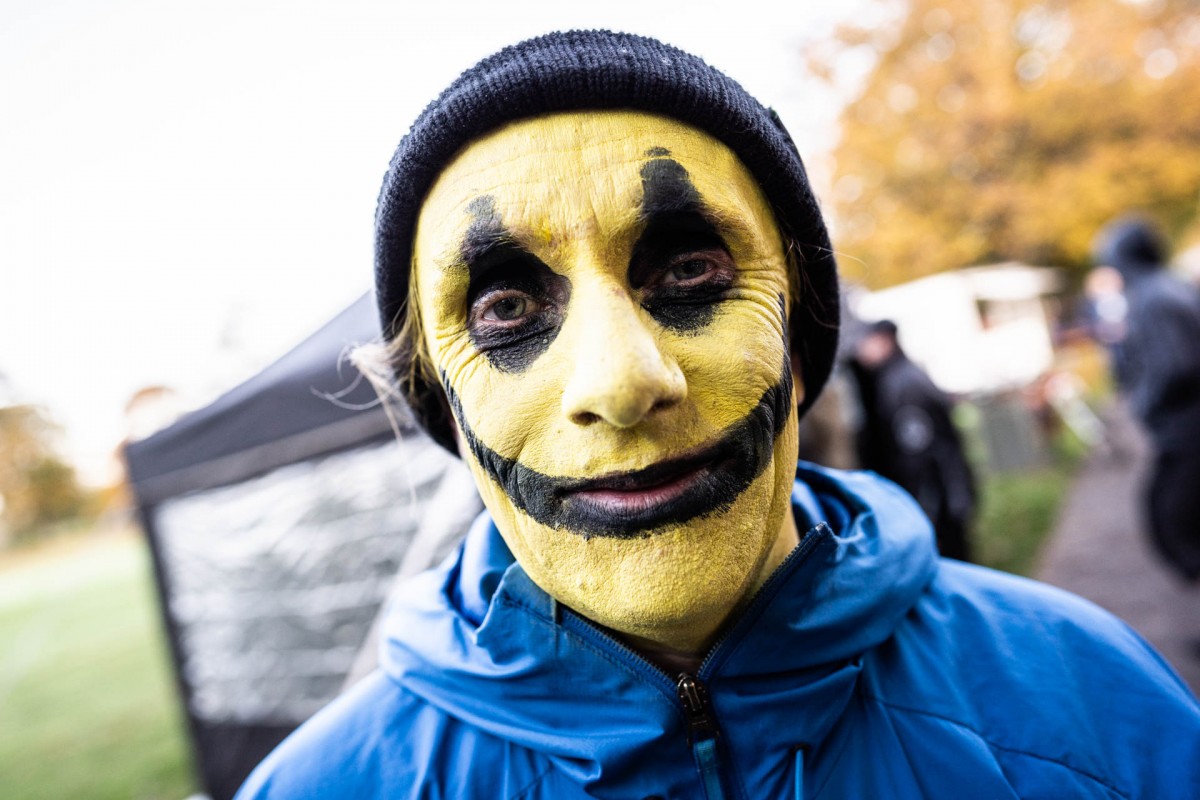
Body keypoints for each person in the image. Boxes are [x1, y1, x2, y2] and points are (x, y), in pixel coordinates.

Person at [237, 31, 1200, 799]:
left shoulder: (1093, 705)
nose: (621, 381)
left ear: (799, 326)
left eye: (690, 268)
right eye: (505, 308)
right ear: (438, 396)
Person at [1093, 217, 1200, 582]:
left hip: (1187, 430)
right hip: (1182, 430)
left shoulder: (1155, 298)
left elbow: (1178, 364)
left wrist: (1144, 401)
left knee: (1177, 522)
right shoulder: (1161, 291)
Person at [849, 320, 976, 561]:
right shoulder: (899, 377)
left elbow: (918, 454)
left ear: (884, 340)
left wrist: (923, 511)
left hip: (939, 503)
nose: (859, 349)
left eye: (865, 342)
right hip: (943, 499)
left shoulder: (903, 385)